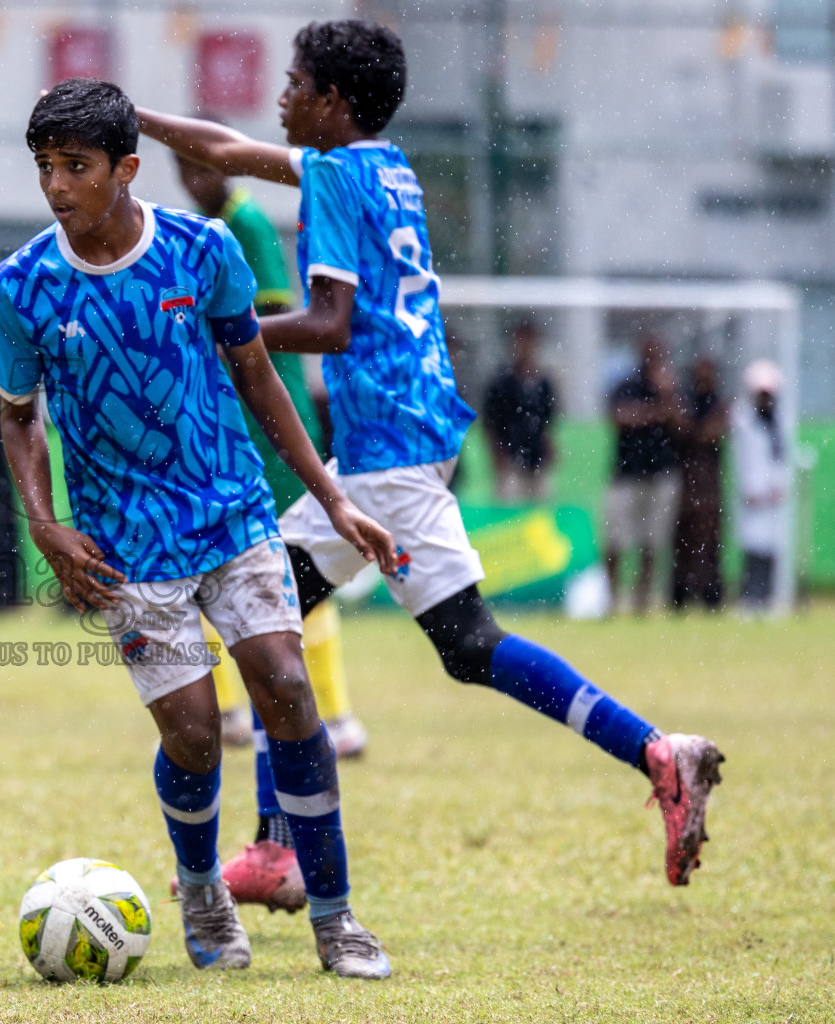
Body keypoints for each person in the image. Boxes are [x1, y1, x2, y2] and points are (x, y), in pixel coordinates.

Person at [137, 18, 724, 887]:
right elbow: (227, 146)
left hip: (385, 453)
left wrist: (213, 334)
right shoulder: (382, 164)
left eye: (295, 84)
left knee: (310, 626)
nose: (281, 96)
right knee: (359, 632)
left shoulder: (336, 178)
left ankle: (280, 847)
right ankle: (280, 844)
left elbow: (331, 326)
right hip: (408, 436)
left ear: (332, 103)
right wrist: (134, 118)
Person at [0, 79, 397, 978]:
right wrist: (45, 525)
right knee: (191, 731)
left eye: (76, 167)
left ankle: (335, 918)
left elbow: (257, 375)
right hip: (121, 540)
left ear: (126, 168)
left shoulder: (202, 250)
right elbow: (18, 415)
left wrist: (329, 496)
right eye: (45, 168)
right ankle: (204, 887)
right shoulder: (21, 284)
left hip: (230, 509)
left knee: (287, 688)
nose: (57, 186)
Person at [176, 147, 368, 916]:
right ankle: (278, 735)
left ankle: (334, 716)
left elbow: (261, 335)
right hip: (243, 430)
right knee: (280, 594)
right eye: (183, 171)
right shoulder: (215, 224)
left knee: (280, 594)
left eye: (200, 168)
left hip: (270, 435)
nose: (194, 179)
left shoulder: (249, 224)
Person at [604, 333, 685, 614]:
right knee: (614, 540)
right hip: (626, 473)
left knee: (652, 542)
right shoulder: (626, 385)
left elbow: (681, 423)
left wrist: (665, 395)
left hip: (659, 474)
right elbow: (620, 417)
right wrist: (654, 412)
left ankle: (642, 599)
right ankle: (612, 598)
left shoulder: (670, 387)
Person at [732, 360, 790, 612]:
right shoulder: (743, 419)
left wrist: (779, 485)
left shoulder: (779, 421)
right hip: (752, 495)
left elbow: (782, 457)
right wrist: (752, 489)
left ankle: (767, 597)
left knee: (772, 547)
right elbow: (743, 458)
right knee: (753, 547)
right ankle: (750, 598)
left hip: (774, 496)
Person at [671, 356, 728, 609]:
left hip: (707, 484)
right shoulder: (688, 400)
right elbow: (684, 429)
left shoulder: (717, 403)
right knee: (683, 542)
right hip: (687, 483)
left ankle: (710, 595)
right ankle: (680, 595)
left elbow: (707, 432)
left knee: (709, 541)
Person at [483, 320, 558, 503]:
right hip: (511, 460)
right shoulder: (502, 383)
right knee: (510, 514)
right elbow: (491, 424)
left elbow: (547, 422)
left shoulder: (544, 382)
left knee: (540, 514)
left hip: (537, 460)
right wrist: (499, 459)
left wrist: (548, 447)